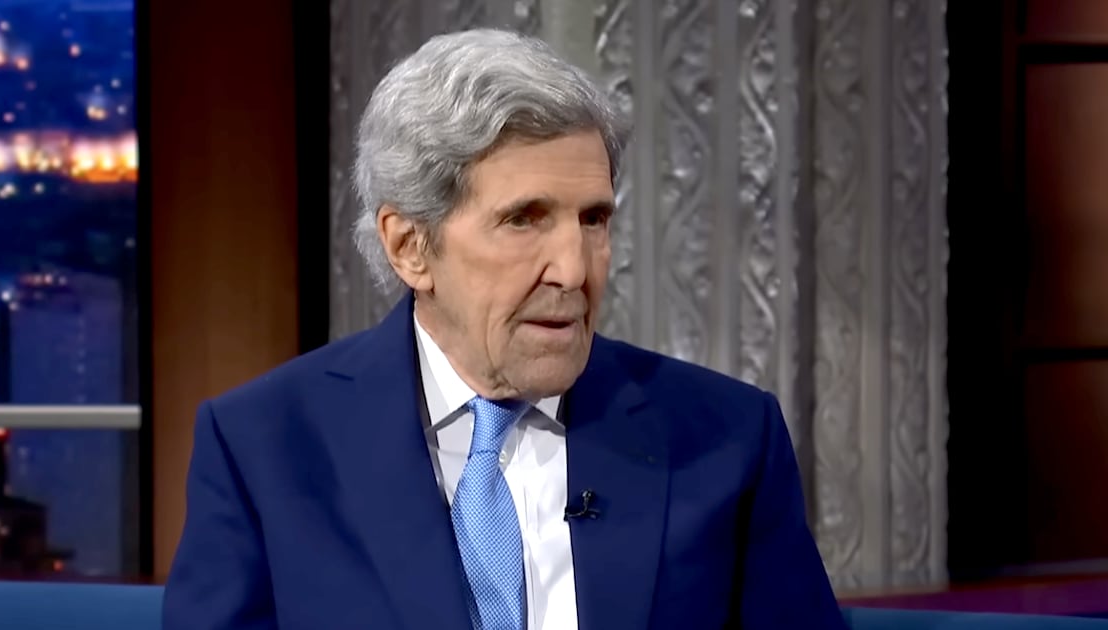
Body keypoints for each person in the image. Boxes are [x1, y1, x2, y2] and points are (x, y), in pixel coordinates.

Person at [162, 28, 846, 630]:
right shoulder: (264, 447)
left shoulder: (727, 438)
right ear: (410, 247)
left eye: (593, 219)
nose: (573, 269)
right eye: (525, 219)